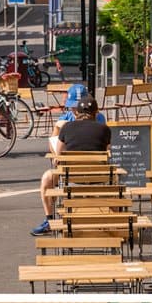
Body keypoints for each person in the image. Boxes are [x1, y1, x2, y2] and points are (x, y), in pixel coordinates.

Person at [32, 96, 112, 235]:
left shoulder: (66, 127)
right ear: (96, 112)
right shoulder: (104, 129)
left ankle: (49, 220)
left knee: (47, 179)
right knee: (115, 181)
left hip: (71, 177)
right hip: (98, 177)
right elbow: (107, 152)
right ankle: (115, 223)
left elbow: (59, 154)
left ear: (76, 113)